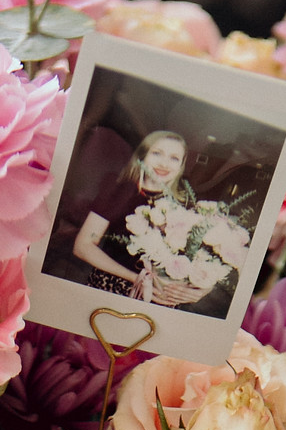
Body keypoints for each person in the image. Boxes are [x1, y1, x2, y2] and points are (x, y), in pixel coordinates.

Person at [72, 131, 205, 307]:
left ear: (181, 166)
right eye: (157, 153)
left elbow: (207, 260)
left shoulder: (187, 206)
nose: (164, 163)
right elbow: (82, 246)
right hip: (111, 291)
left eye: (174, 158)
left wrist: (201, 290)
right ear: (143, 155)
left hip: (161, 302)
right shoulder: (119, 191)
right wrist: (136, 278)